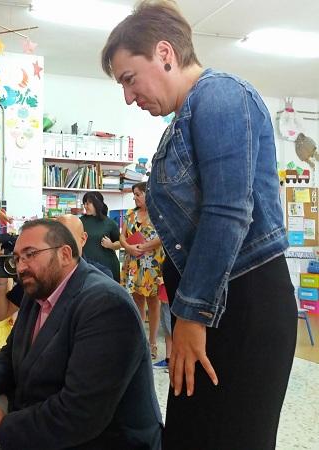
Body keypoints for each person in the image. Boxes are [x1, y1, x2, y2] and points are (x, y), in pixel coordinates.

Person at [101, 2, 297, 449]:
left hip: (242, 306)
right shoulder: (183, 119)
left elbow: (229, 212)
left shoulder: (221, 95)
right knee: (193, 435)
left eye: (129, 79)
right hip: (211, 306)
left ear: (165, 53)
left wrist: (189, 315)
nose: (129, 97)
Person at [0, 219, 163, 450]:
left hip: (102, 437)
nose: (20, 267)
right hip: (43, 406)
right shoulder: (38, 289)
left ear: (65, 254)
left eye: (31, 254)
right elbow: (10, 355)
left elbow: (82, 413)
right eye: (17, 258)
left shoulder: (106, 304)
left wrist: (0, 429)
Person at [0, 214, 114, 323]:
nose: (60, 244)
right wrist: (1, 278)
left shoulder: (100, 278)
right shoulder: (40, 274)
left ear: (83, 239)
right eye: (54, 238)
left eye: (67, 237)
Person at [119, 182, 163, 359]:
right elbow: (122, 236)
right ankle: (140, 341)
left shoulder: (158, 213)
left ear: (147, 194)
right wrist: (128, 248)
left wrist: (143, 246)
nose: (135, 198)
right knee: (137, 302)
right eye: (134, 195)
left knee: (153, 303)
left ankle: (152, 342)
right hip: (134, 261)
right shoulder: (130, 214)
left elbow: (162, 237)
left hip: (152, 263)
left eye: (138, 194)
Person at [80, 191, 121, 281]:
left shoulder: (109, 223)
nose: (85, 206)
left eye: (88, 203)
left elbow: (120, 243)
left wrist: (112, 245)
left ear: (97, 204)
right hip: (86, 267)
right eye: (84, 204)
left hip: (108, 267)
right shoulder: (79, 221)